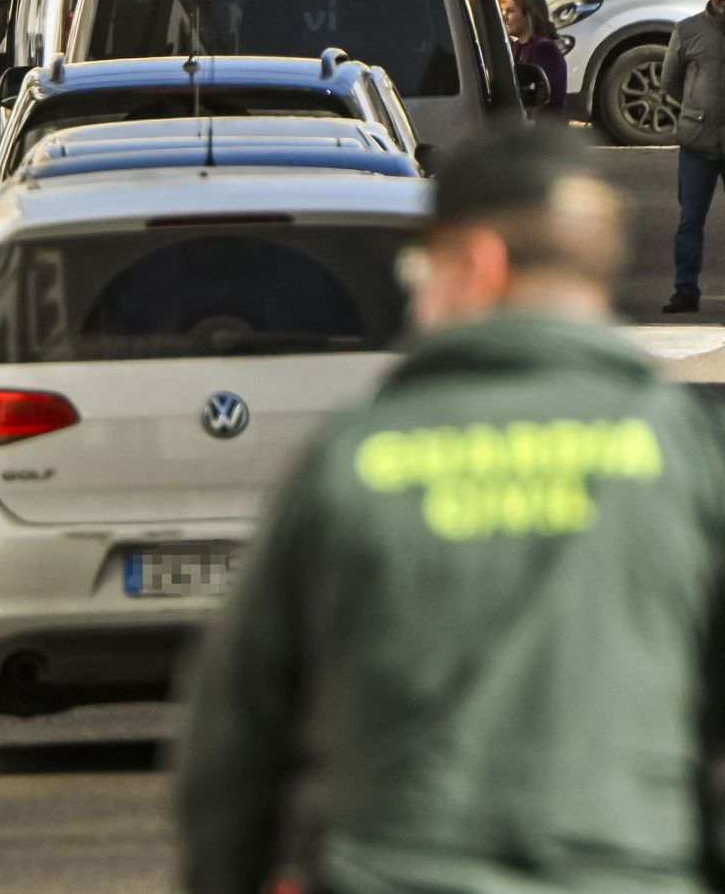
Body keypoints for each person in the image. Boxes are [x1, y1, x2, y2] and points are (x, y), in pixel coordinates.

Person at [175, 128, 725, 893]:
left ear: (478, 263)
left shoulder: (355, 457)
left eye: (421, 269)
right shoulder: (685, 455)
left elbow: (236, 729)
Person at [661, 0, 725, 314]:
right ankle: (685, 291)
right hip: (698, 143)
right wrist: (695, 111)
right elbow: (670, 82)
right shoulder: (687, 31)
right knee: (690, 220)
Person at [504, 0, 567, 119]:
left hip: (544, 131)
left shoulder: (544, 49)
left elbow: (544, 100)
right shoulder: (518, 47)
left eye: (510, 11)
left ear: (529, 13)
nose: (505, 17)